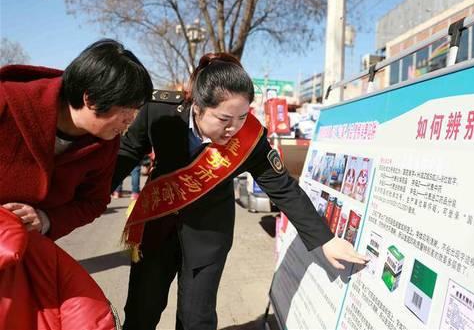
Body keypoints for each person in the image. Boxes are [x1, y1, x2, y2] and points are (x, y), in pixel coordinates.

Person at [112, 53, 368, 330]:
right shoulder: (159, 112)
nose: (234, 128)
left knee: (196, 319)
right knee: (141, 311)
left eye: (242, 116)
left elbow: (283, 188)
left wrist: (325, 240)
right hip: (157, 227)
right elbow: (127, 152)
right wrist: (94, 193)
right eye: (224, 118)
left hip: (209, 235)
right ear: (197, 107)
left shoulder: (250, 138)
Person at [0, 39, 153, 329]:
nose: (130, 121)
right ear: (90, 99)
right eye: (127, 111)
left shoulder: (106, 143)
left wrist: (47, 220)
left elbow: (94, 202)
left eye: (136, 111)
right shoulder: (9, 102)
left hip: (30, 258)